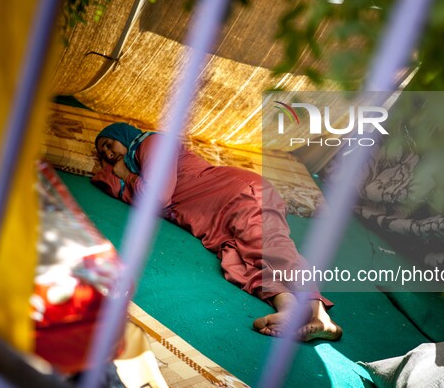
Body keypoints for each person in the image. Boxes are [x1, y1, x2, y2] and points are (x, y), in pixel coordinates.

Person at [91, 122, 342, 341]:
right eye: (102, 151)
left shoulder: (152, 143)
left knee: (270, 246)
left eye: (109, 143)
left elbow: (157, 198)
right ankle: (286, 305)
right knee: (238, 264)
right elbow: (124, 191)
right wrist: (116, 174)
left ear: (124, 135)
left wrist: (128, 176)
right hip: (213, 223)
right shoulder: (134, 171)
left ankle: (316, 312)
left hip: (237, 194)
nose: (108, 151)